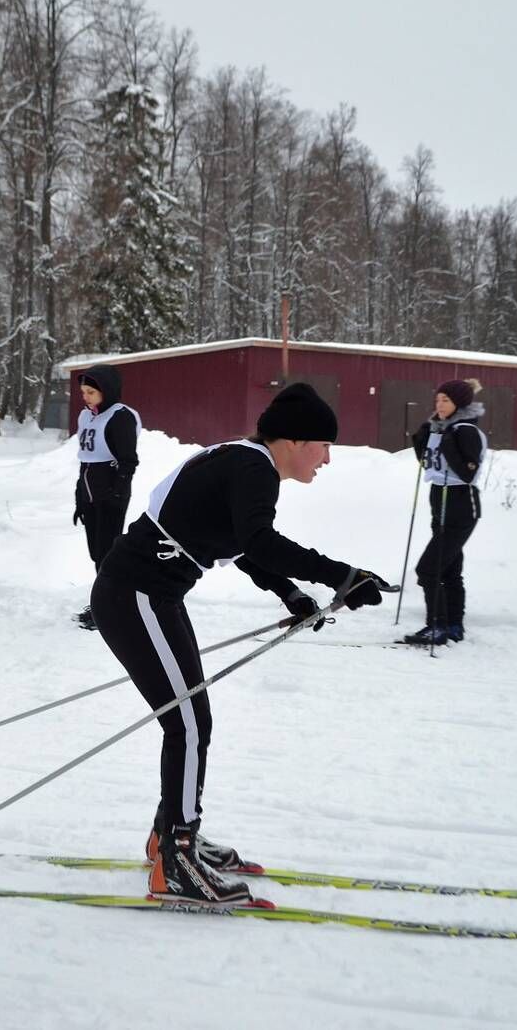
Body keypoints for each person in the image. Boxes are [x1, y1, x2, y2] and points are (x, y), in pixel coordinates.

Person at [89, 382, 392, 906]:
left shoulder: (240, 461)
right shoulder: (251, 467)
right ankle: (177, 861)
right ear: (295, 440)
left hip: (150, 595)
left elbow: (242, 548)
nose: (327, 459)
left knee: (191, 720)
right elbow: (259, 542)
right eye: (324, 445)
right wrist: (343, 575)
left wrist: (292, 591)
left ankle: (170, 837)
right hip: (135, 594)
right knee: (184, 721)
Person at [405, 377, 488, 646]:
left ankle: (437, 626)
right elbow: (429, 463)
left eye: (446, 400)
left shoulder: (466, 431)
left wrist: (445, 441)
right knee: (449, 569)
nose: (439, 404)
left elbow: (465, 472)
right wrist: (422, 440)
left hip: (461, 504)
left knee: (428, 569)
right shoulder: (439, 428)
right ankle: (453, 624)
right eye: (438, 399)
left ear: (459, 404)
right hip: (438, 499)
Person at [72, 364, 140, 630]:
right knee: (95, 553)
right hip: (90, 490)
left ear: (107, 391)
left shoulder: (120, 416)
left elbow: (128, 461)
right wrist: (79, 499)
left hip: (110, 492)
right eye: (83, 392)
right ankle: (103, 602)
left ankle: (111, 607)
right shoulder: (86, 416)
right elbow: (85, 460)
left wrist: (117, 493)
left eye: (91, 392)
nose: (85, 396)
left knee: (107, 553)